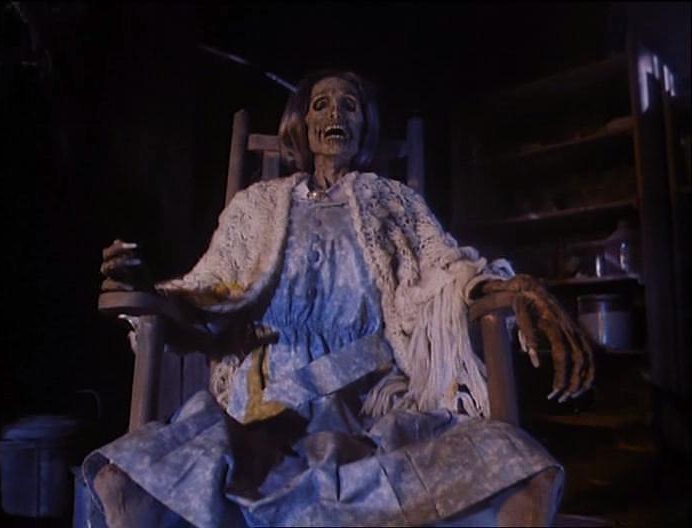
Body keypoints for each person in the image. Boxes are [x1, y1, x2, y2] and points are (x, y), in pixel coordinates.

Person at [88, 70, 593, 527]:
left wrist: (508, 286)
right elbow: (208, 291)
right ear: (302, 125)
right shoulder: (254, 207)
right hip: (267, 411)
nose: (336, 114)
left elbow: (448, 270)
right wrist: (147, 285)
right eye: (321, 105)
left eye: (350, 106)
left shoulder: (395, 202)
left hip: (376, 406)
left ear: (365, 125)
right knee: (124, 482)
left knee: (523, 474)